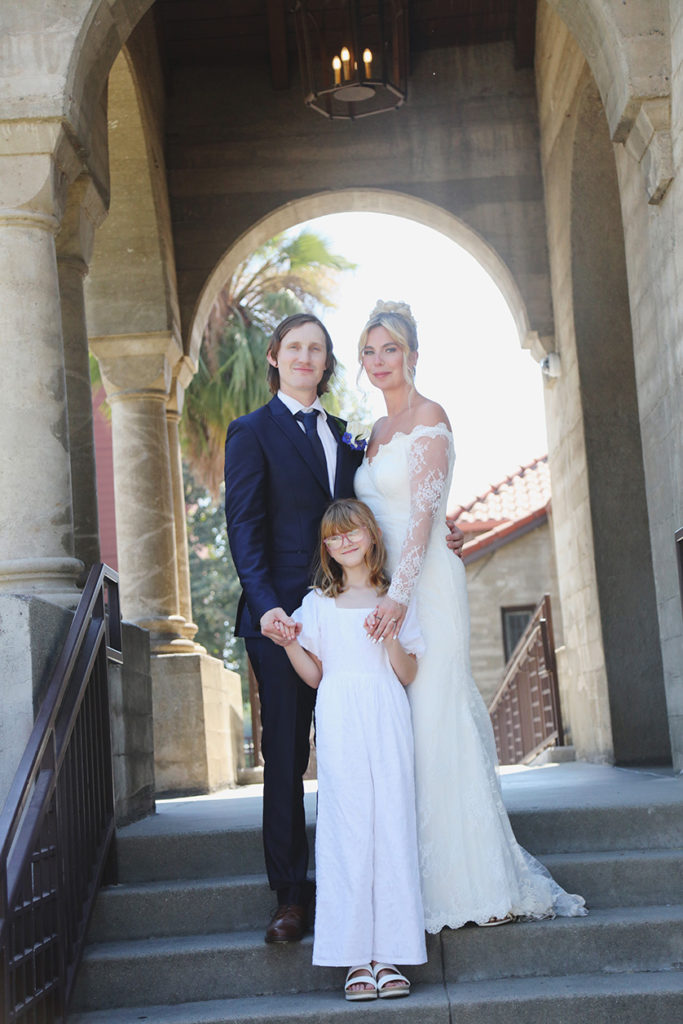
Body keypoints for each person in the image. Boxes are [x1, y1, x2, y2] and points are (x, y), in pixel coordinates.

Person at [225, 312, 465, 944]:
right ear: (275, 356)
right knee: (285, 756)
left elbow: (381, 510)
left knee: (361, 754)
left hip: (355, 613)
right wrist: (270, 608)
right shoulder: (249, 432)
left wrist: (440, 533)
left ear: (327, 363)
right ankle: (290, 897)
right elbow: (244, 530)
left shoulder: (348, 436)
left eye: (318, 349)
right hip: (283, 621)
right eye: (295, 347)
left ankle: (367, 881)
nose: (306, 357)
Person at [353, 300, 587, 931]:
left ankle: (468, 881)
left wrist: (399, 597)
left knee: (438, 719)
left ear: (413, 354)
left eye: (390, 349)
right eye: (369, 351)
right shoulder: (371, 434)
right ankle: (413, 878)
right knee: (407, 732)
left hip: (425, 583)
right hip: (385, 586)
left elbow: (427, 519)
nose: (379, 362)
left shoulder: (431, 416)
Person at [282, 498, 426, 1000]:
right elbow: (316, 675)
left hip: (386, 713)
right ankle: (353, 960)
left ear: (371, 535)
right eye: (332, 537)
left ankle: (389, 955)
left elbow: (408, 673)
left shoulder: (396, 599)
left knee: (390, 824)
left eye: (352, 533)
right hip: (340, 715)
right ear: (326, 548)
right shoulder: (318, 603)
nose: (343, 543)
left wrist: (389, 636)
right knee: (346, 830)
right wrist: (289, 645)